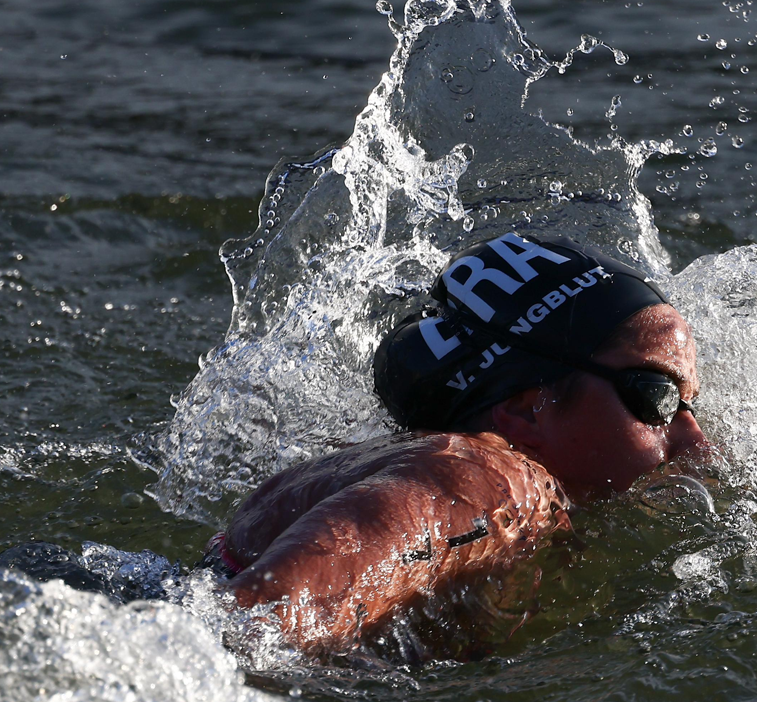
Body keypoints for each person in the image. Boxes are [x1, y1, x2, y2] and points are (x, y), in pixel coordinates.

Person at [207, 233, 708, 660]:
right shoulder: (484, 481)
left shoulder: (412, 464)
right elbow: (246, 629)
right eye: (657, 397)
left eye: (691, 404)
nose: (697, 443)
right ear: (528, 408)